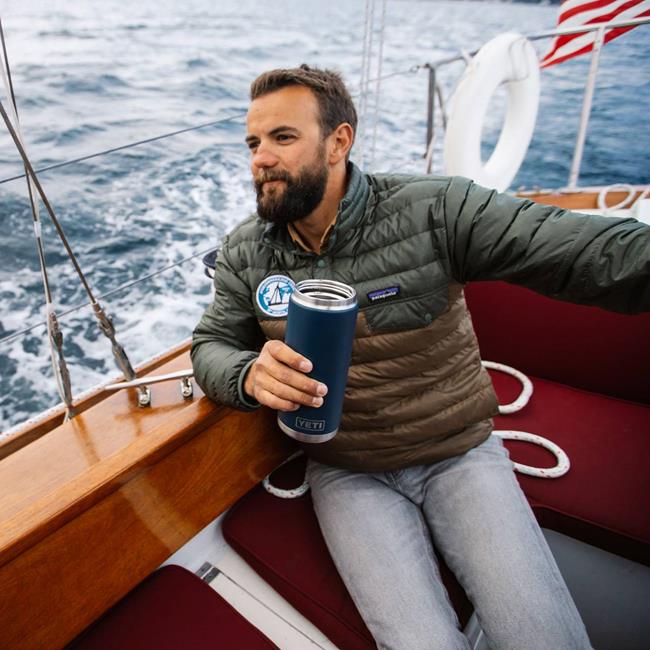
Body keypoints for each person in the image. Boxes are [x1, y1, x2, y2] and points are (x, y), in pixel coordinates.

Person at [192, 64, 649, 649]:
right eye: (253, 143)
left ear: (338, 142)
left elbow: (584, 252)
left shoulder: (437, 209)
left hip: (458, 453)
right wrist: (247, 374)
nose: (261, 158)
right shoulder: (245, 252)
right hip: (346, 470)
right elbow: (210, 345)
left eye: (282, 137)